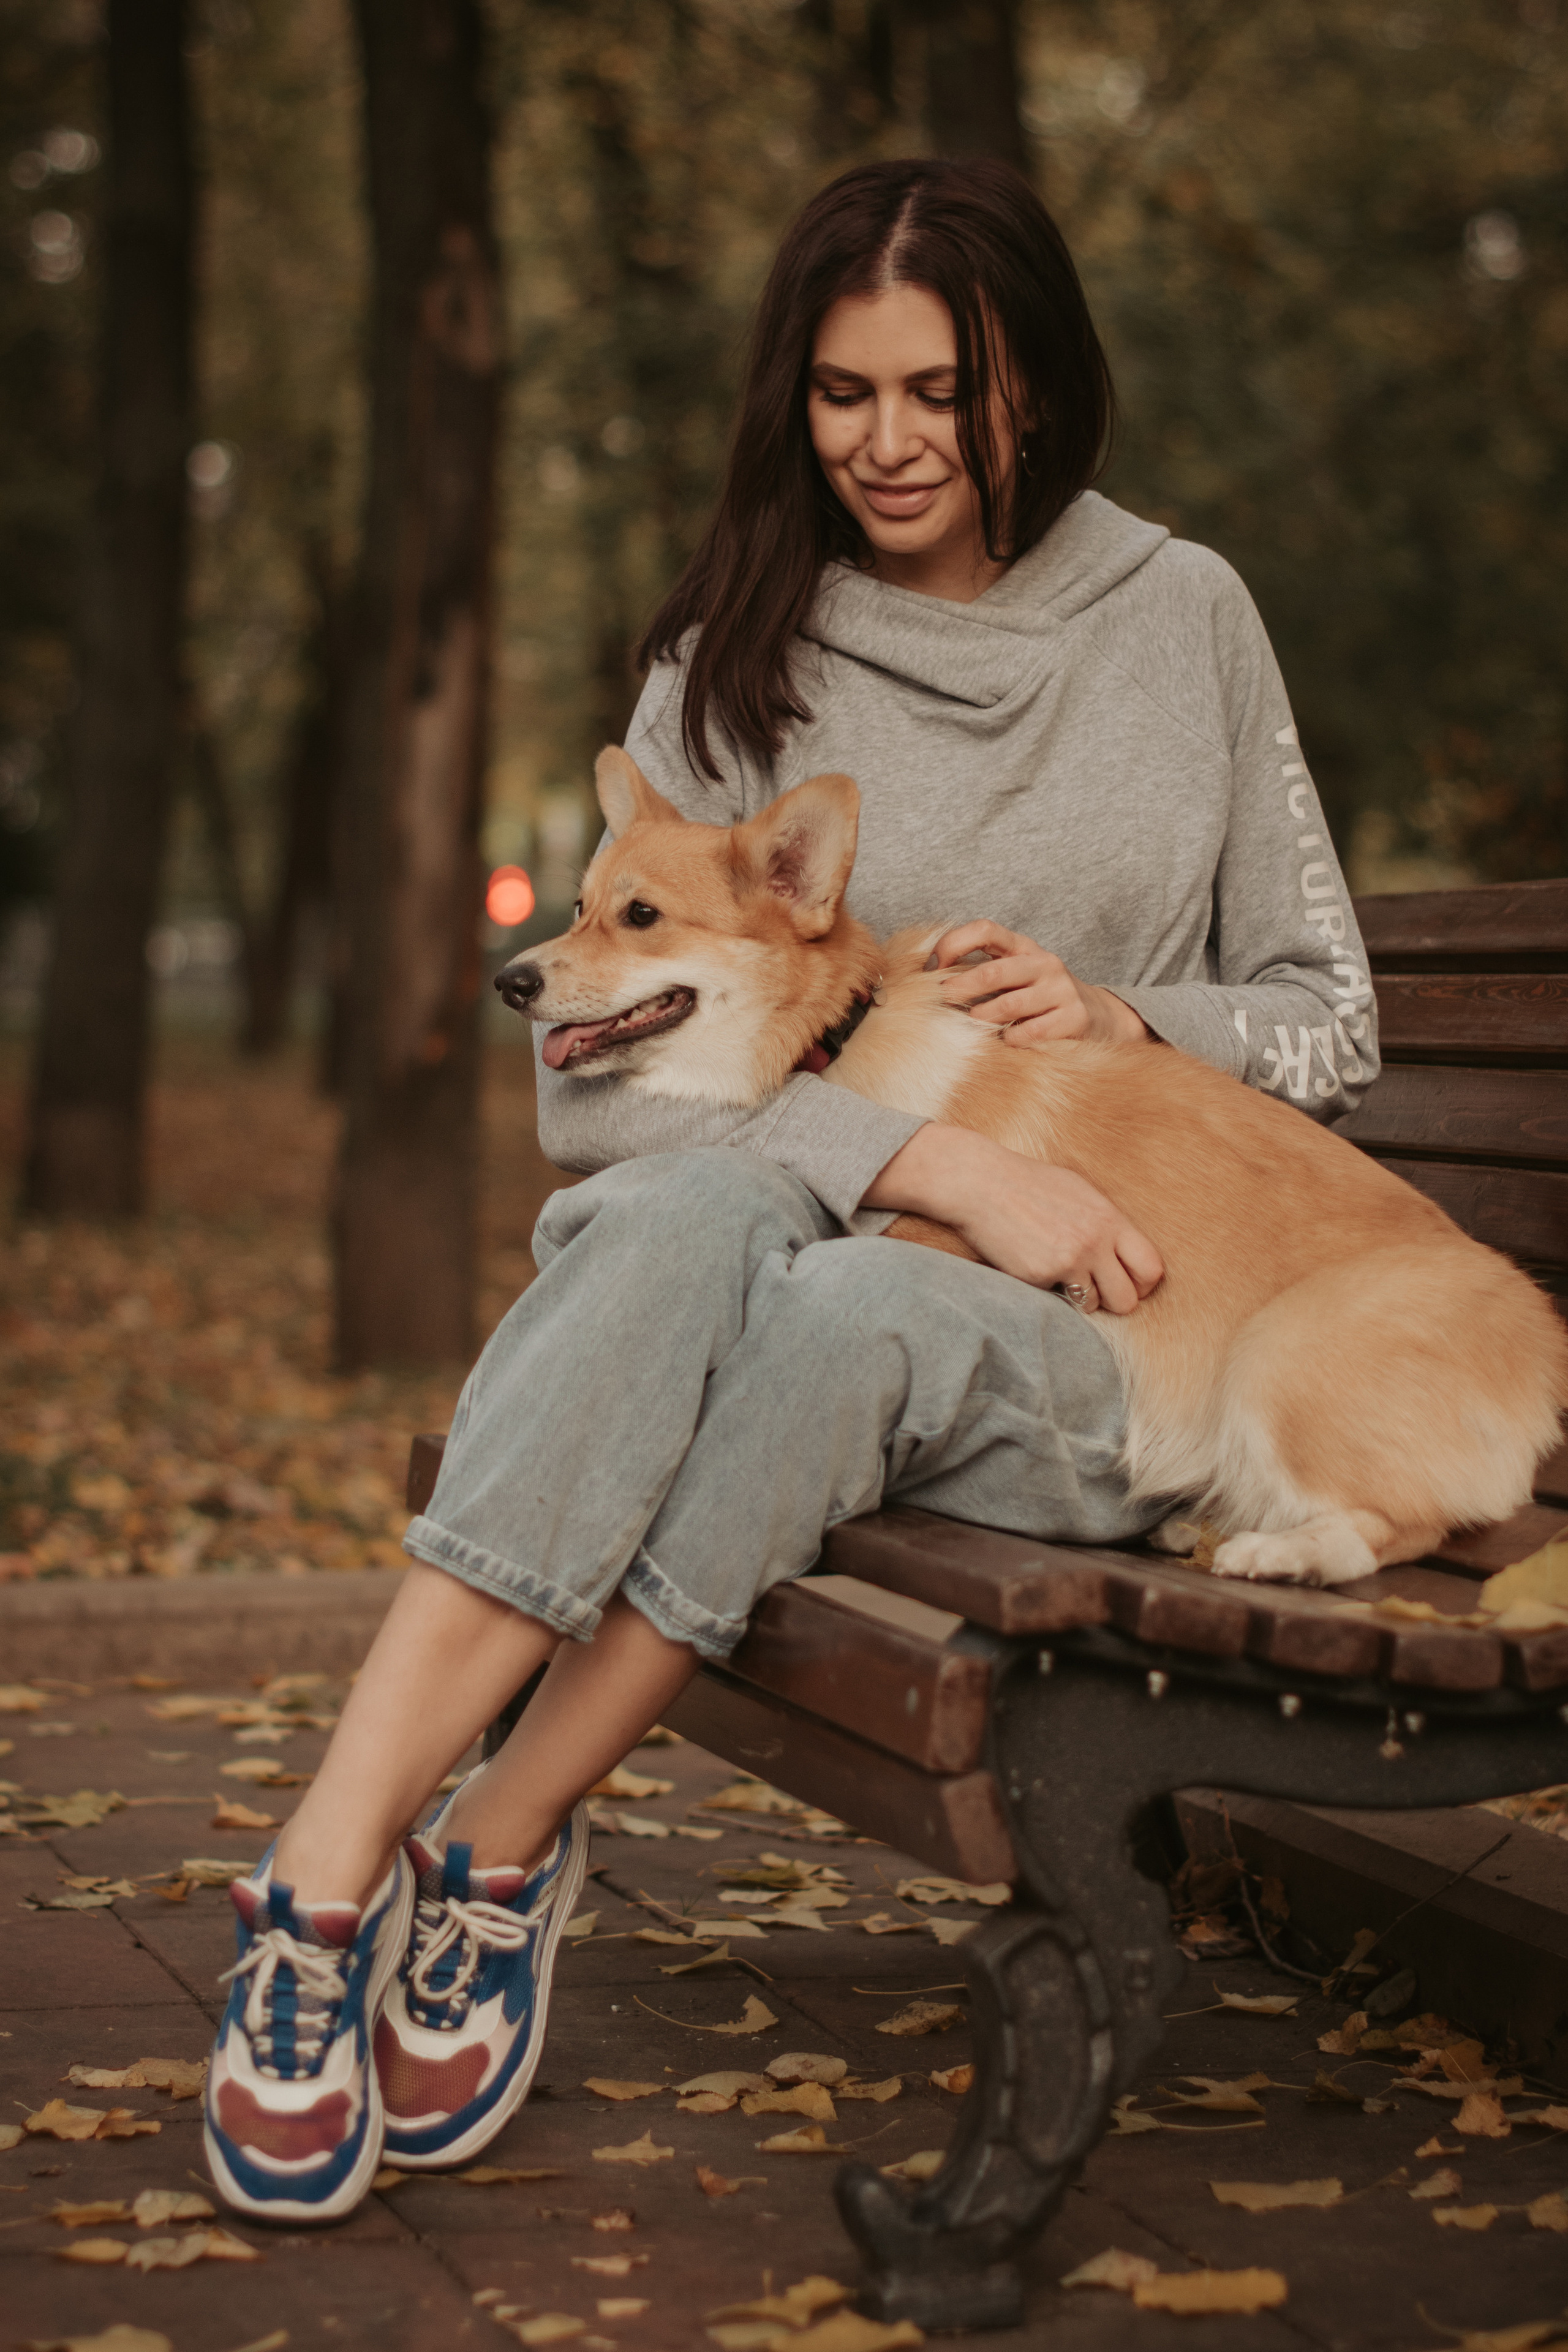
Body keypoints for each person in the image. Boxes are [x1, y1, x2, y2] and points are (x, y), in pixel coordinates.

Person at [203, 157, 1378, 2223]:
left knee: (827, 1293)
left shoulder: (1181, 615)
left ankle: (499, 1840)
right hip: (770, 1265)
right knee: (692, 1221)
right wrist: (916, 1155)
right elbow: (593, 1106)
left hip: (1105, 1319)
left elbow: (1334, 1021)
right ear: (793, 398)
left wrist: (1130, 1014)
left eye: (945, 387)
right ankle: (328, 1877)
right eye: (846, 395)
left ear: (1037, 379)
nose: (894, 442)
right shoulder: (732, 645)